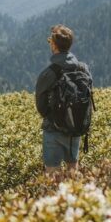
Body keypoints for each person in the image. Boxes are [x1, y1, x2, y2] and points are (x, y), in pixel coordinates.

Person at [35, 25, 92, 176]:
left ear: (54, 44)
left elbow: (40, 106)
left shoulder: (48, 73)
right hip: (76, 128)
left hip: (53, 129)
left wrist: (55, 116)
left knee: (52, 175)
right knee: (73, 171)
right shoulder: (83, 68)